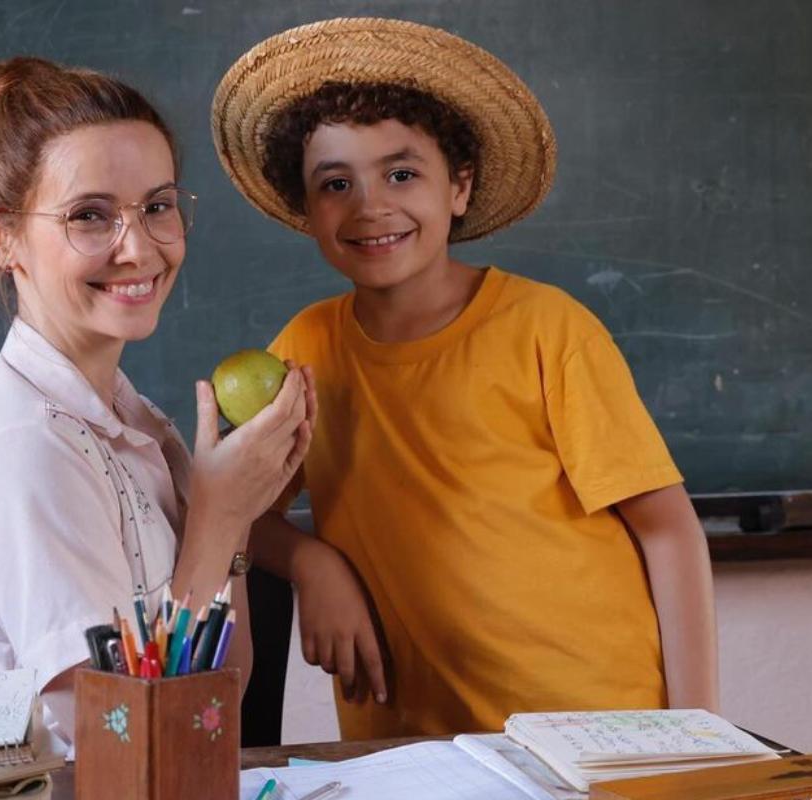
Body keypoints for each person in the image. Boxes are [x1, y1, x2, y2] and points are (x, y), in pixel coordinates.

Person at [211, 18, 719, 740]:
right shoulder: (304, 350)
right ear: (308, 211)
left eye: (401, 173)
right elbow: (235, 507)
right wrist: (311, 564)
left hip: (595, 732)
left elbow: (667, 531)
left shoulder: (547, 328)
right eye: (335, 184)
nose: (369, 205)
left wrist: (698, 735)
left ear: (461, 187)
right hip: (412, 747)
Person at [0, 56, 313, 751]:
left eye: (157, 207)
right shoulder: (25, 451)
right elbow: (132, 745)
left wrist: (237, 521)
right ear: (1, 236)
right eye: (90, 216)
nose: (139, 248)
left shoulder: (131, 424)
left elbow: (222, 698)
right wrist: (216, 517)